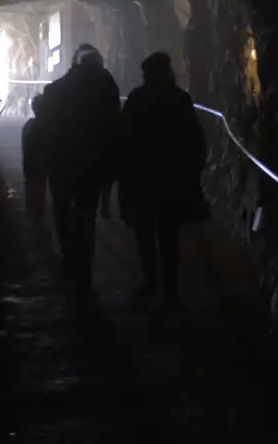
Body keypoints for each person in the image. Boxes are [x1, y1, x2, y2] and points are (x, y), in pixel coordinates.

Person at [118, 51, 208, 307]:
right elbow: (195, 140)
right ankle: (168, 288)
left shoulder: (137, 98)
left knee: (145, 234)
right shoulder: (180, 99)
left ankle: (152, 281)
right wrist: (192, 172)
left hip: (143, 178)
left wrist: (122, 175)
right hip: (171, 178)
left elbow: (124, 139)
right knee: (168, 236)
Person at [39, 43, 121, 291]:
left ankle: (69, 259)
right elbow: (113, 130)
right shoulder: (107, 91)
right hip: (91, 164)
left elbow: (45, 121)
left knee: (63, 212)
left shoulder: (58, 89)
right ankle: (83, 267)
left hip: (61, 162)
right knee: (86, 216)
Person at [21, 93, 48, 223]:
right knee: (40, 185)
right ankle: (38, 212)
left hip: (29, 163)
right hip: (40, 164)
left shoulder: (28, 125)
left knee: (31, 185)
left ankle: (31, 210)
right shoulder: (46, 127)